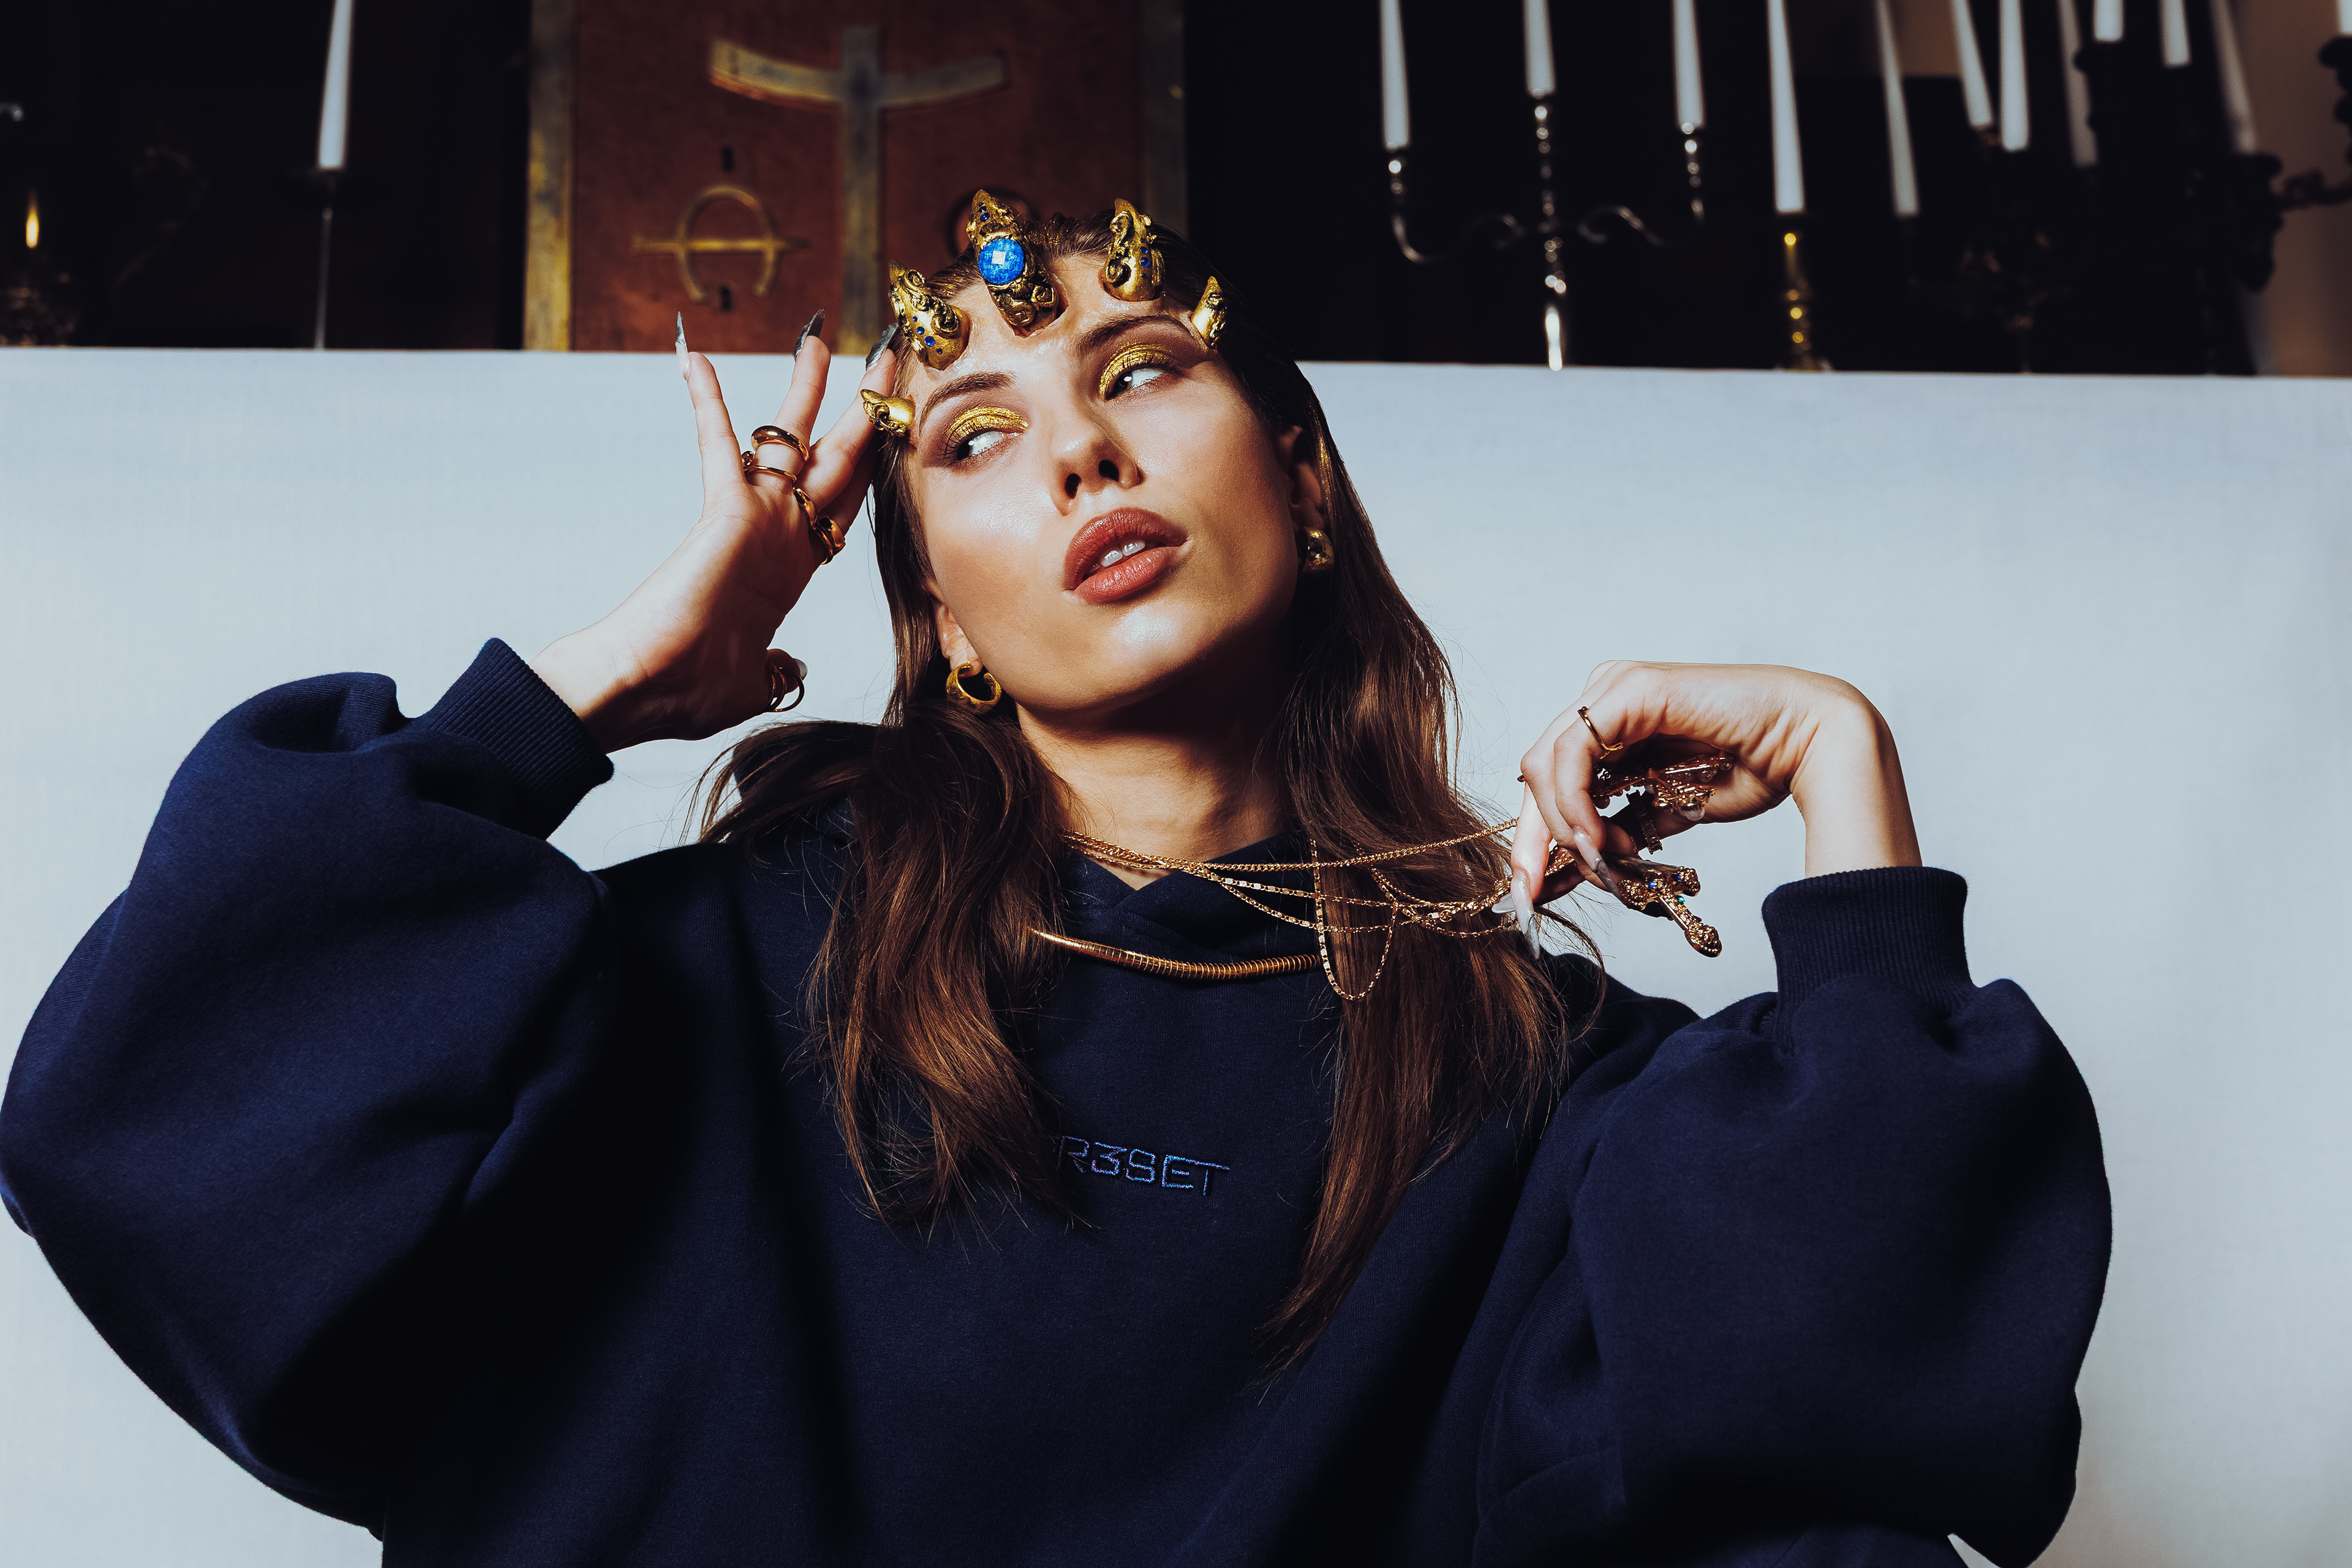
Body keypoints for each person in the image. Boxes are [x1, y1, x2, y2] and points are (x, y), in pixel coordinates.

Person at [0, 200, 2106, 1567]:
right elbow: (145, 1123)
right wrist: (593, 692)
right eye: (976, 436)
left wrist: (1846, 783)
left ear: (1306, 483)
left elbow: (1870, 1433)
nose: (1086, 451)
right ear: (947, 623)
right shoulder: (705, 976)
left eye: (1144, 370)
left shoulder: (1534, 1076)